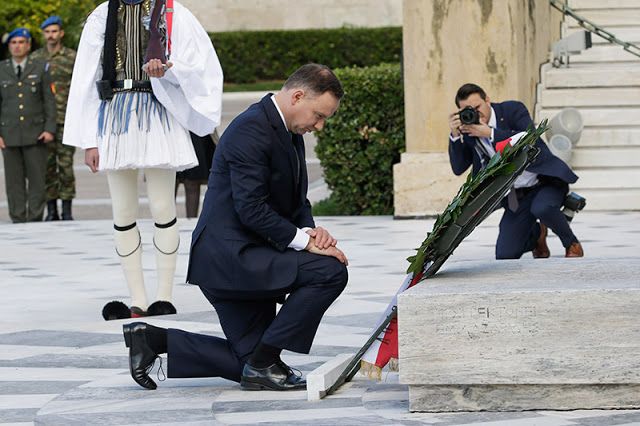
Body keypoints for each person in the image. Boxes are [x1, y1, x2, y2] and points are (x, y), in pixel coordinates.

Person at [122, 63, 349, 392]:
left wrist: (312, 233)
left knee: (251, 364)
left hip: (251, 255)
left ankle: (151, 338)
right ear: (298, 96)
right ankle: (265, 361)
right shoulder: (252, 128)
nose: (320, 125)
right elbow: (251, 208)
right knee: (329, 271)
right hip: (230, 260)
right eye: (319, 115)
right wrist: (304, 242)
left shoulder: (287, 129)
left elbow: (297, 201)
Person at [63, 0, 223, 319]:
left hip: (158, 109)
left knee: (163, 206)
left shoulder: (172, 11)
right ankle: (138, 299)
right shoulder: (102, 15)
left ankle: (163, 297)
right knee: (123, 211)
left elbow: (201, 62)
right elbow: (86, 76)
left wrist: (169, 68)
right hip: (114, 115)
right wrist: (89, 140)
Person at [448, 83, 583, 259]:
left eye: (477, 107)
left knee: (542, 208)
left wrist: (490, 133)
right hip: (516, 195)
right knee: (505, 254)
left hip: (545, 182)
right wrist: (455, 134)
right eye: (467, 110)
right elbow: (458, 168)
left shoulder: (512, 109)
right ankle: (536, 236)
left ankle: (571, 243)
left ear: (487, 100)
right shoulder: (467, 130)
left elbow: (530, 138)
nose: (475, 113)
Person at [0, 28, 56, 223]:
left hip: (36, 132)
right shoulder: (2, 69)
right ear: (9, 46)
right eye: (14, 43)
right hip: (9, 134)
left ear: (29, 45)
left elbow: (49, 100)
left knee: (37, 180)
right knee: (13, 181)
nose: (17, 46)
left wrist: (49, 129)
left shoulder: (40, 67)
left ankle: (34, 218)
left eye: (21, 42)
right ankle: (17, 218)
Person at [31, 16, 77, 221]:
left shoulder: (72, 57)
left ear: (61, 34)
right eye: (47, 32)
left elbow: (79, 89)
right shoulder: (35, 59)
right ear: (44, 34)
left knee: (66, 167)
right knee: (47, 167)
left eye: (54, 31)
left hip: (67, 121)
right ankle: (51, 210)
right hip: (43, 123)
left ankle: (67, 210)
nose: (51, 35)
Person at [175, 130, 218, 218]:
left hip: (195, 126)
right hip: (170, 127)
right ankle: (165, 224)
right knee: (169, 181)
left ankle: (191, 223)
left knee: (193, 180)